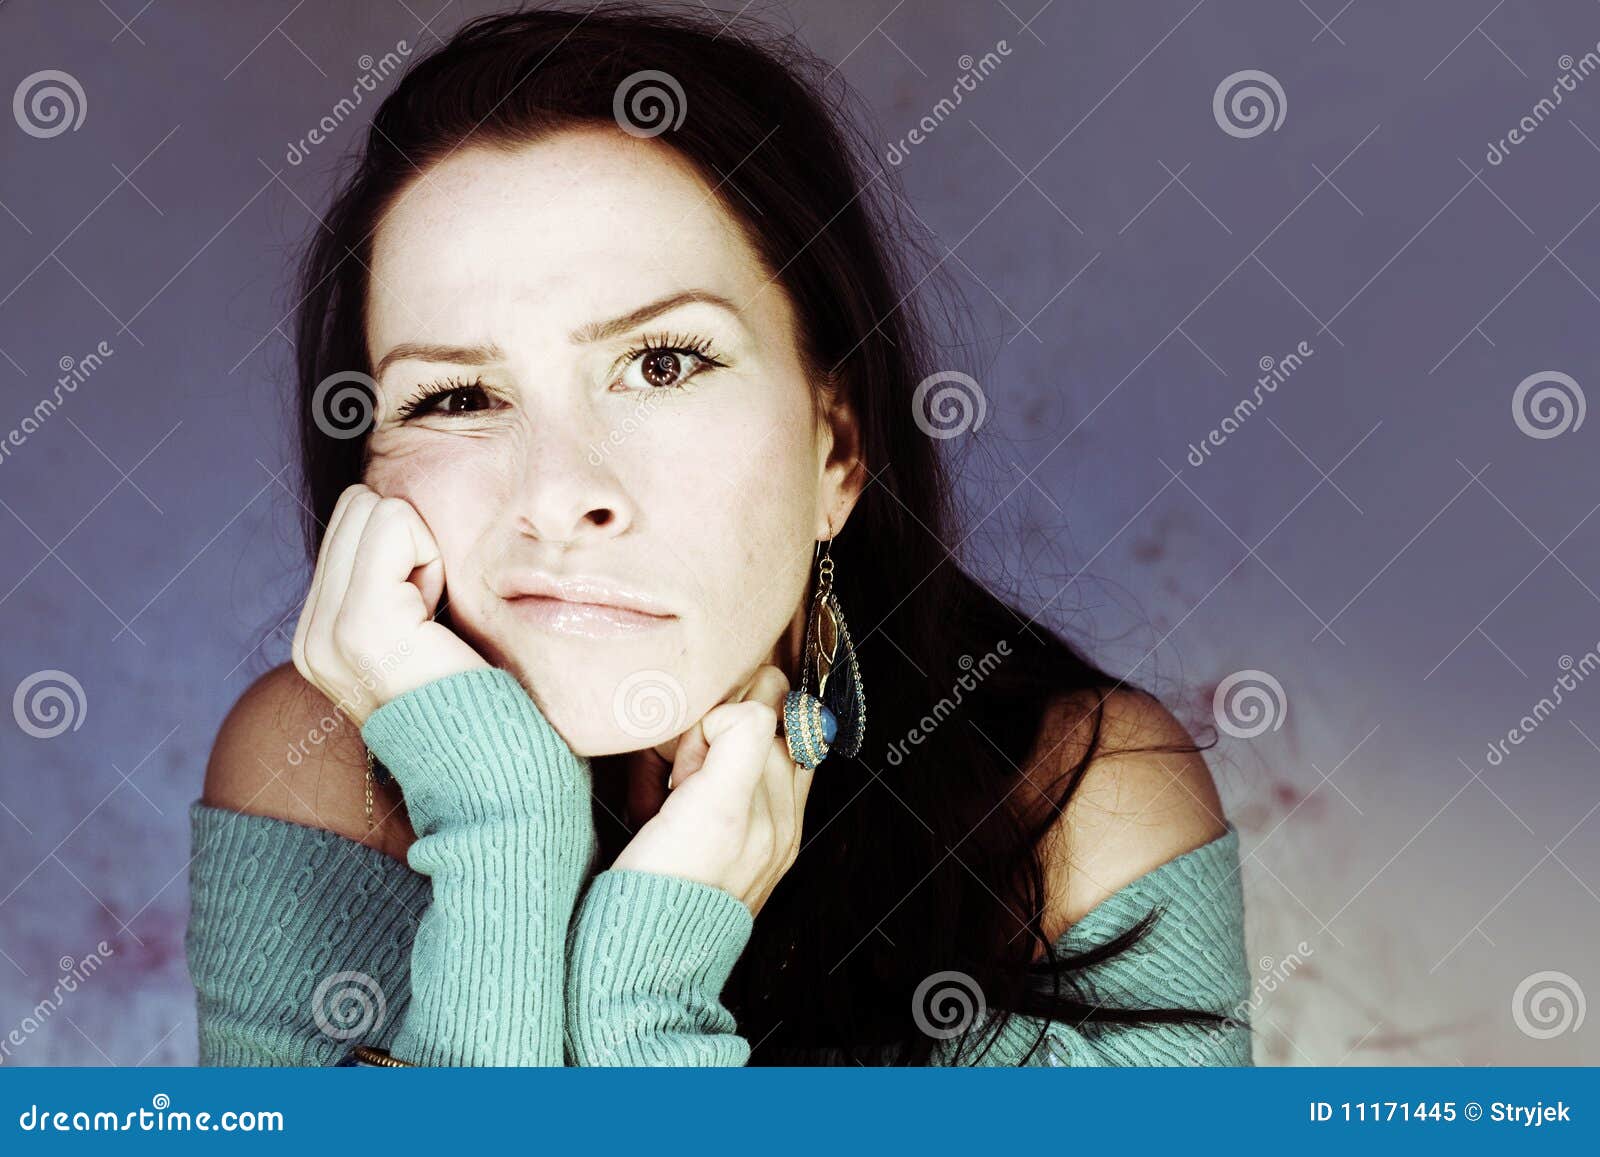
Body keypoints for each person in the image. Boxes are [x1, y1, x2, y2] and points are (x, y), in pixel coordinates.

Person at [186, 2, 1252, 1067]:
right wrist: (503, 839)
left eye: (662, 364)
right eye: (457, 396)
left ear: (835, 448)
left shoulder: (1081, 812)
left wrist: (642, 1002)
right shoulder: (315, 772)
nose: (559, 493)